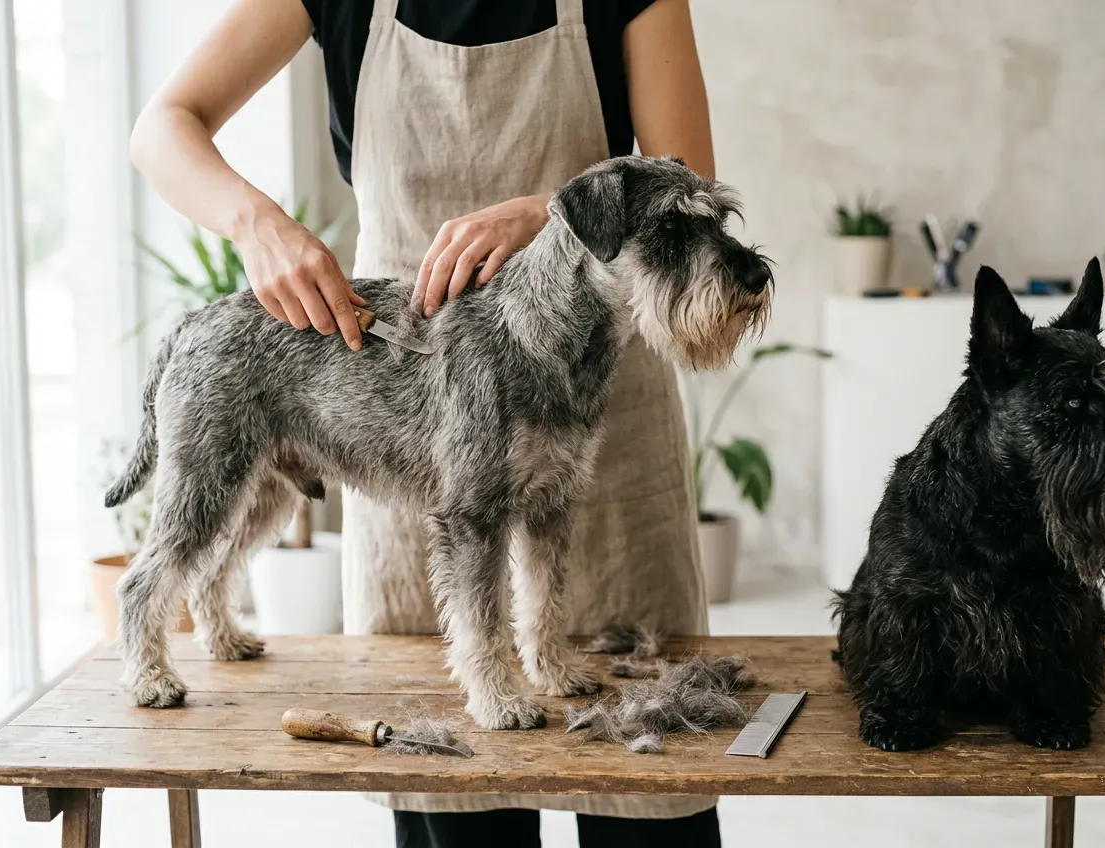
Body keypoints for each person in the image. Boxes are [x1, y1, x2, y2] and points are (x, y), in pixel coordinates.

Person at [130, 1, 719, 845]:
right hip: (396, 369)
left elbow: (683, 179)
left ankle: (544, 654)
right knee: (457, 812)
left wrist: (547, 210)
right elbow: (163, 126)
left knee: (649, 803)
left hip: (606, 387)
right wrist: (256, 223)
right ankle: (194, 618)